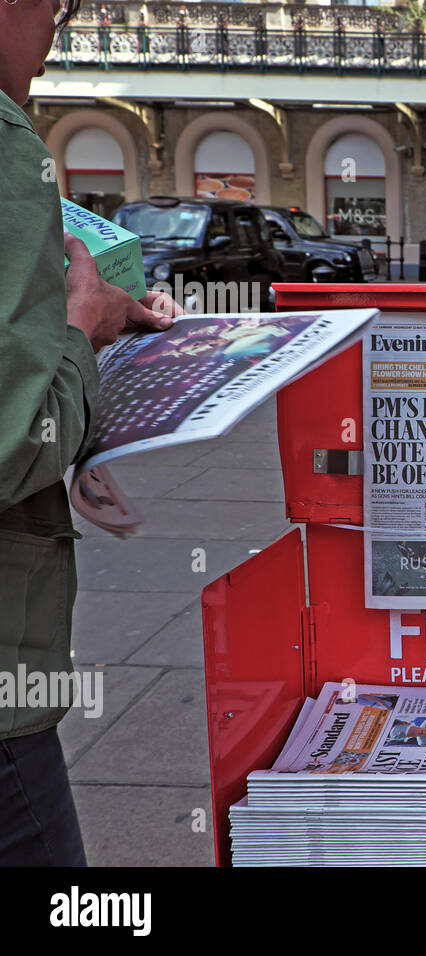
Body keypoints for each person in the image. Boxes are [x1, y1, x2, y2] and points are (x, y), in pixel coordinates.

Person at [1, 0, 180, 867]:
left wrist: (79, 438)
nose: (59, 31)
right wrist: (80, 327)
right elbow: (8, 437)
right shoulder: (6, 147)